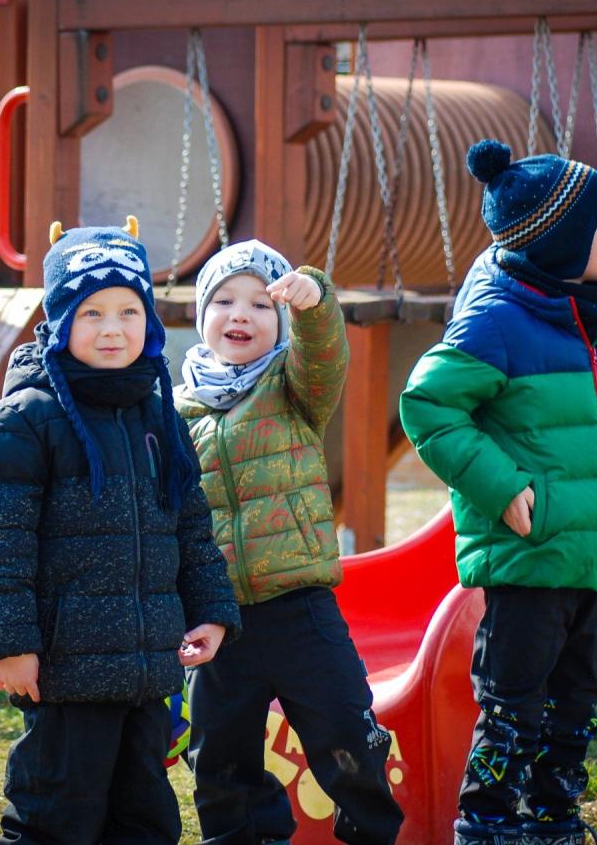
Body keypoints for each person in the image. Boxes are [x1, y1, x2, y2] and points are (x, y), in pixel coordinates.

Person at [399, 140, 597, 845]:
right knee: (514, 703)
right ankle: (486, 823)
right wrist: (502, 485)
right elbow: (427, 406)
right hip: (531, 554)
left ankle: (553, 820)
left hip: (592, 554)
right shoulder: (497, 321)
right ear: (561, 240)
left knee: (574, 702)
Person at [0, 217, 241, 845]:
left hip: (147, 669)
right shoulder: (24, 420)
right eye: (91, 313)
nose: (112, 329)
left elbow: (191, 527)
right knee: (55, 816)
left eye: (128, 311)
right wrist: (11, 644)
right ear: (60, 319)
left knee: (145, 819)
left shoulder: (159, 415)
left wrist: (212, 611)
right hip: (66, 671)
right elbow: (0, 545)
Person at [176, 240, 405, 845]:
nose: (241, 314)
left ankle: (371, 833)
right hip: (219, 617)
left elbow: (324, 353)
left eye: (261, 304)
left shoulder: (293, 388)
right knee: (219, 758)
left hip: (300, 609)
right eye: (224, 301)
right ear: (201, 315)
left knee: (347, 737)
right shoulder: (178, 411)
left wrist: (314, 301)